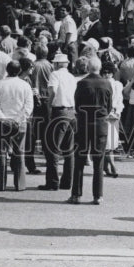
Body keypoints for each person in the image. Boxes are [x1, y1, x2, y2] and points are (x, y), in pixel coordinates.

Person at [68, 55, 113, 205]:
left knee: (80, 159)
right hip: (100, 123)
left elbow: (77, 104)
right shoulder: (107, 83)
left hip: (83, 122)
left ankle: (76, 194)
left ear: (88, 68)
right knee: (98, 160)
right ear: (99, 68)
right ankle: (97, 195)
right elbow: (109, 106)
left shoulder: (82, 83)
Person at [0, 60, 34, 192]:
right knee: (19, 152)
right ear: (19, 70)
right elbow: (28, 106)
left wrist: (3, 118)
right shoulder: (25, 85)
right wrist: (19, 118)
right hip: (19, 122)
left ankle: (1, 184)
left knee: (2, 153)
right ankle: (20, 184)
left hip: (2, 121)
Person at [40, 52, 77, 192]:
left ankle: (52, 181)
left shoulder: (55, 75)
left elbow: (52, 91)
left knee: (53, 148)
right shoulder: (71, 77)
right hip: (71, 112)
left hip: (59, 111)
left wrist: (49, 106)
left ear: (55, 64)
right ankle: (67, 181)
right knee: (69, 149)